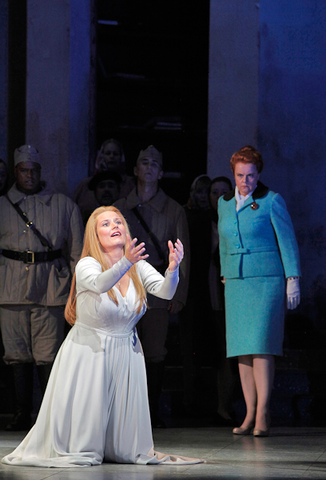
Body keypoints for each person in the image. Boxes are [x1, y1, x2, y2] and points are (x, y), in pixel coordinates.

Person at [1, 206, 203, 467]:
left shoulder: (137, 265)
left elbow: (165, 292)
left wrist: (173, 268)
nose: (114, 226)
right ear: (95, 236)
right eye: (105, 224)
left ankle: (117, 446)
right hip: (90, 350)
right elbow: (100, 284)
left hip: (126, 351)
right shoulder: (87, 264)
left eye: (118, 221)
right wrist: (126, 262)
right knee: (88, 422)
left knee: (125, 439)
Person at [218, 145, 301, 437]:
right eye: (240, 175)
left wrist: (293, 277)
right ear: (233, 174)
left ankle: (264, 411)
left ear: (258, 174)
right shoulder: (224, 203)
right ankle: (249, 412)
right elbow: (224, 243)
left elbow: (287, 241)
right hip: (237, 282)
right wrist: (225, 274)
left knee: (262, 345)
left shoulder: (271, 201)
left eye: (250, 175)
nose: (245, 181)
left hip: (266, 281)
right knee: (242, 349)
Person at [0, 145, 84, 431]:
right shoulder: (2, 206)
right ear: (16, 172)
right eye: (24, 170)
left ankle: (50, 415)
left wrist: (77, 290)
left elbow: (77, 252)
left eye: (34, 170)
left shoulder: (63, 205)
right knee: (16, 353)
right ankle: (22, 412)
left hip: (52, 286)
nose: (30, 175)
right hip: (10, 287)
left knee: (48, 354)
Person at [114, 145, 190, 428]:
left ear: (161, 172)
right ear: (135, 170)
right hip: (126, 285)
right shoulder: (121, 207)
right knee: (123, 348)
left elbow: (183, 255)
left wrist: (179, 293)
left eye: (154, 164)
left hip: (158, 285)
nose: (148, 168)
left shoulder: (173, 209)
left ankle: (151, 410)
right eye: (143, 162)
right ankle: (124, 412)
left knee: (155, 350)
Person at [209, 176, 238, 425]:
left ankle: (225, 404)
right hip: (209, 293)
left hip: (230, 292)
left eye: (223, 192)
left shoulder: (234, 217)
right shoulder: (202, 222)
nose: (218, 196)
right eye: (214, 191)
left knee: (229, 352)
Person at [73, 138, 134, 219]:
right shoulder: (86, 185)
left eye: (115, 154)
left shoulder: (130, 184)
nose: (111, 157)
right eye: (108, 153)